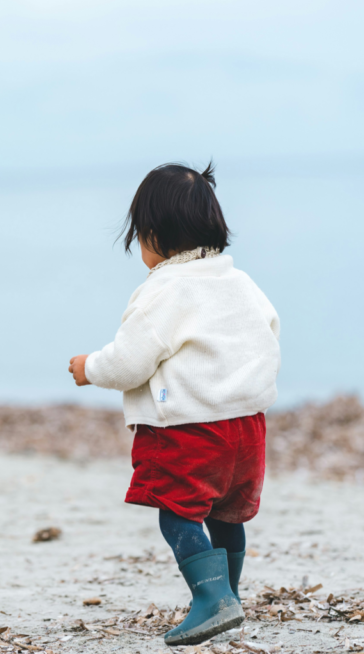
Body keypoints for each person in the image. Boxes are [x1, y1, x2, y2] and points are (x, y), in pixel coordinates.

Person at [68, 162, 280, 646]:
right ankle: (229, 594)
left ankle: (212, 598)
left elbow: (129, 362)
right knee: (226, 514)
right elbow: (269, 338)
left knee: (177, 510)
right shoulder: (243, 284)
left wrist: (89, 368)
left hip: (187, 428)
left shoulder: (163, 291)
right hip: (248, 427)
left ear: (152, 235)